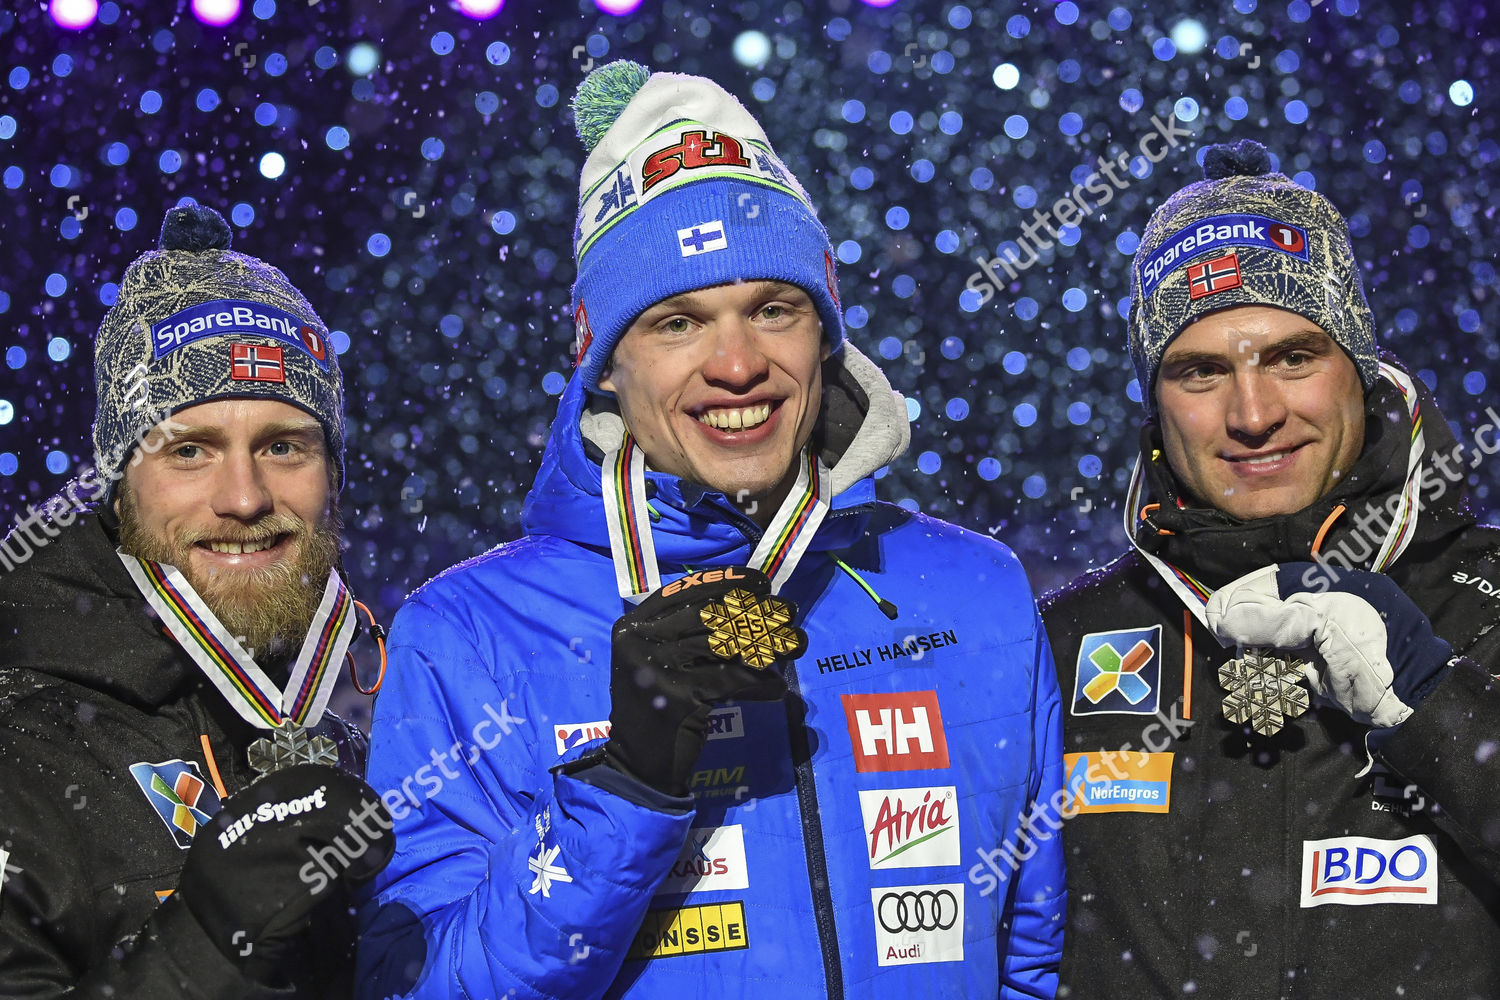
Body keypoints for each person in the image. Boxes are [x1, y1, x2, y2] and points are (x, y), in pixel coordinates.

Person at [357, 61, 1064, 999]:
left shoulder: (973, 589)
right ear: (604, 364)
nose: (738, 365)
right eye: (679, 322)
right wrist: (627, 787)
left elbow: (1031, 959)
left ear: (826, 335)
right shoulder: (469, 634)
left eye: (774, 310)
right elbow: (418, 988)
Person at [1041, 139, 1500, 998]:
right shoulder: (1064, 644)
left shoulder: (1491, 606)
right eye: (1201, 371)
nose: (1253, 414)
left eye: (1293, 357)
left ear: (1359, 374)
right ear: (1155, 401)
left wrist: (1436, 704)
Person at [0, 205, 395, 997]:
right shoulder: (20, 747)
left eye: (283, 446)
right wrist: (201, 952)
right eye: (189, 450)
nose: (245, 497)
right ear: (119, 487)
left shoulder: (384, 704)